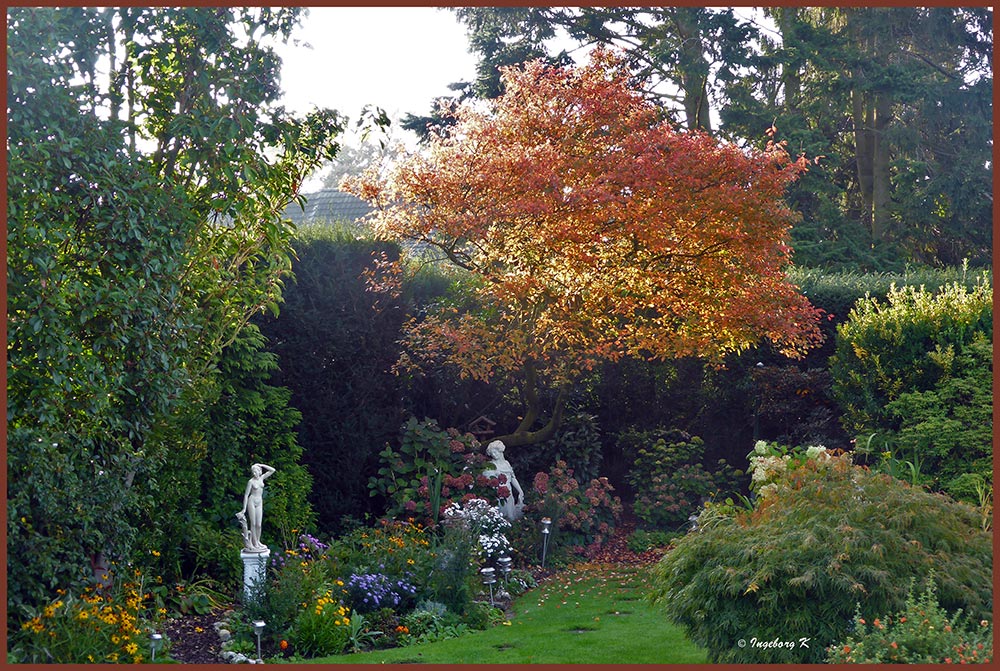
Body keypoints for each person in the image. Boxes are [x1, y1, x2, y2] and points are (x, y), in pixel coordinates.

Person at [236, 463, 275, 552]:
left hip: (259, 502)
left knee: (259, 524)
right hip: (252, 501)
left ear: (259, 471)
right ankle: (254, 543)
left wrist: (261, 465)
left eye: (256, 471)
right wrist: (244, 508)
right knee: (253, 524)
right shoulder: (251, 481)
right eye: (253, 472)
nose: (254, 473)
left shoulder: (262, 478)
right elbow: (246, 495)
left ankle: (258, 541)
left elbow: (272, 470)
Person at [484, 440, 524, 520]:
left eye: (495, 452)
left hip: (509, 493)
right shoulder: (491, 466)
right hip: (498, 495)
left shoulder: (507, 463)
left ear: (501, 451)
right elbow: (489, 482)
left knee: (510, 516)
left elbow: (513, 478)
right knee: (501, 516)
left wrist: (520, 491)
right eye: (492, 454)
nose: (494, 455)